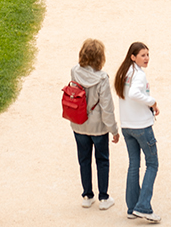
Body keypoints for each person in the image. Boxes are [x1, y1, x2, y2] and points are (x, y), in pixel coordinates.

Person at [69, 39, 120, 211]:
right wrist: (113, 129)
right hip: (98, 126)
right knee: (102, 160)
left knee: (84, 160)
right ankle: (104, 197)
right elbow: (107, 107)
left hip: (79, 123)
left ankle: (87, 195)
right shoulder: (102, 78)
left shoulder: (74, 71)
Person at [115, 43, 161, 223]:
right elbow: (135, 93)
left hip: (127, 127)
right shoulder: (139, 75)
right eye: (143, 55)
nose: (147, 58)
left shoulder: (123, 73)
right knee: (152, 164)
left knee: (134, 165)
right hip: (141, 126)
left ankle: (132, 207)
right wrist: (152, 102)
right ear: (133, 57)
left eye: (148, 54)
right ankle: (143, 207)